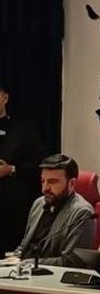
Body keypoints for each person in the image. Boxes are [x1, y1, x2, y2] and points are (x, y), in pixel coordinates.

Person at [12, 154, 96, 267]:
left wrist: (30, 263)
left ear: (72, 184)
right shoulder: (39, 203)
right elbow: (24, 247)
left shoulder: (82, 213)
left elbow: (72, 262)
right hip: (22, 273)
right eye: (43, 181)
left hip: (51, 279)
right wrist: (12, 259)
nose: (45, 188)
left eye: (52, 182)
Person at [0, 82, 47, 253]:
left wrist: (11, 169)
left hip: (14, 210)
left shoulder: (23, 129)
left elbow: (40, 164)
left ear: (5, 97)